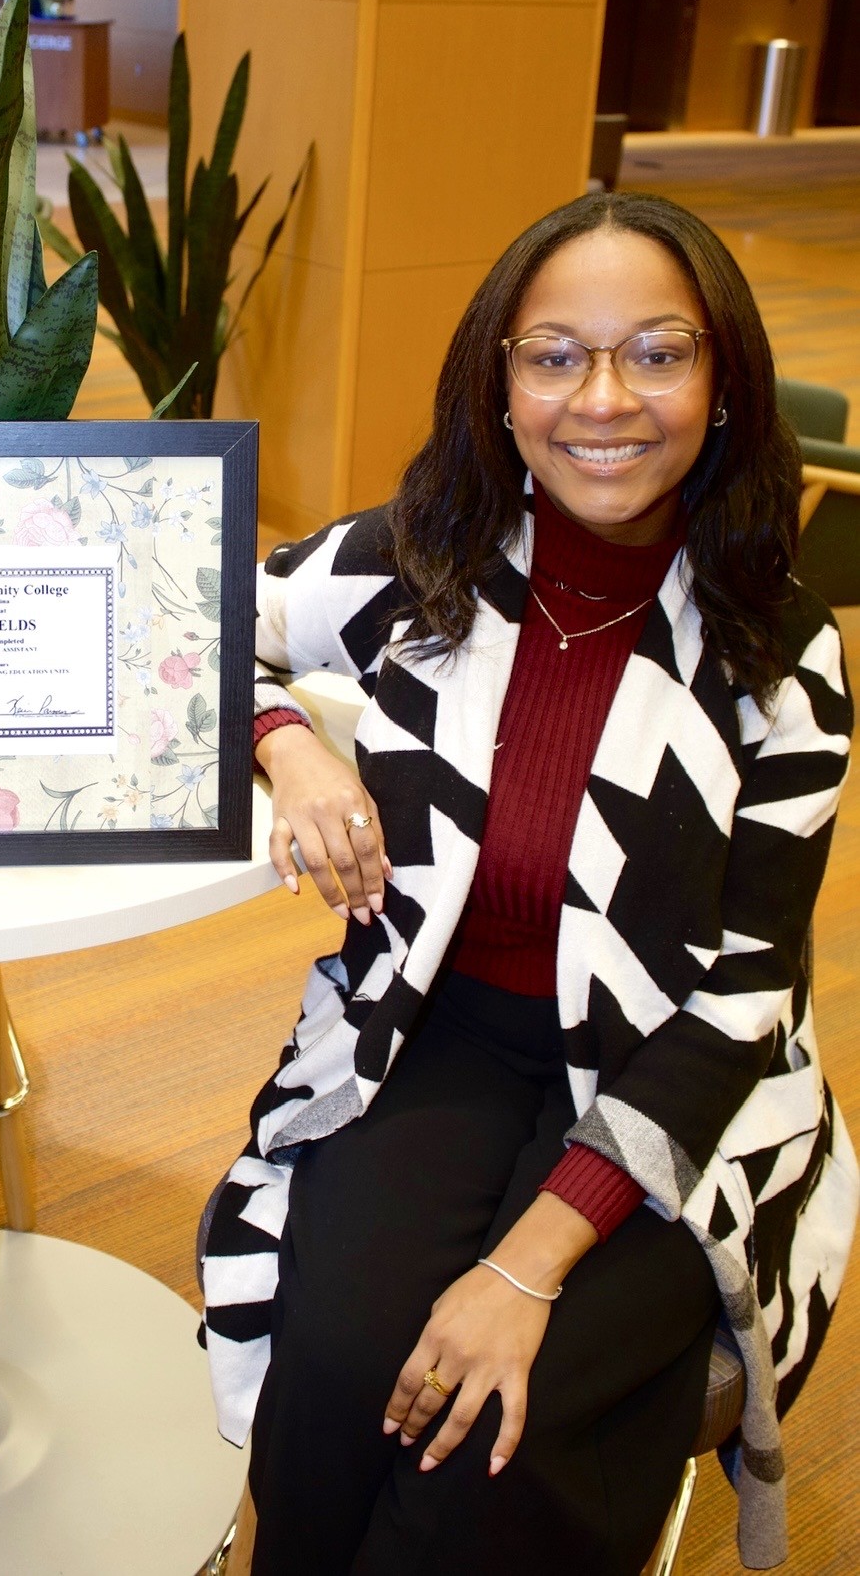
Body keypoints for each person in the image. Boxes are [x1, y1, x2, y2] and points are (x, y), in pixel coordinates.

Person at [197, 190, 856, 1575]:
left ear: (722, 381)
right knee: (335, 1380)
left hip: (672, 1093)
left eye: (656, 354)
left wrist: (522, 1269)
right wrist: (290, 752)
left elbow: (741, 1000)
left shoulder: (783, 658)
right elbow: (198, 621)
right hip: (441, 1035)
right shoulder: (417, 561)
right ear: (498, 384)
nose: (602, 398)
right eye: (555, 354)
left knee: (487, 1442)